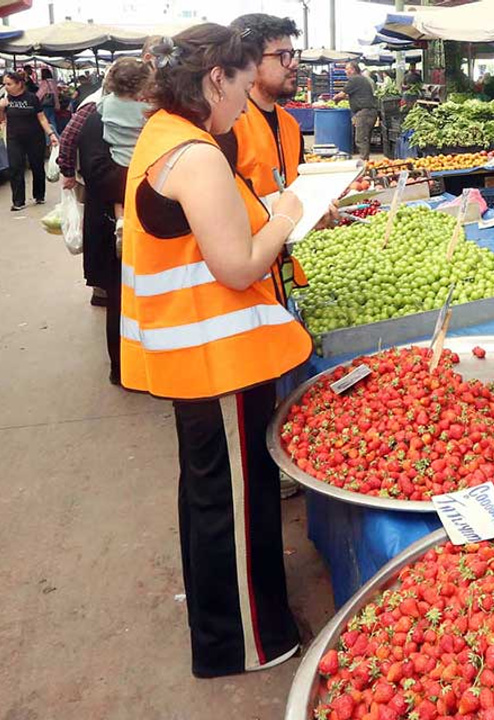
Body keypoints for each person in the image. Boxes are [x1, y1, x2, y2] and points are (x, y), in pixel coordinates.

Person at [120, 23, 310, 678]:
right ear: (216, 78)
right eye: (238, 81)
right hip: (217, 357)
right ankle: (249, 644)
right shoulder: (196, 154)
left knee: (211, 494)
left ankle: (223, 629)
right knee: (233, 502)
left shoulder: (162, 133)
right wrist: (286, 215)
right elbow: (237, 265)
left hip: (195, 356)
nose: (240, 104)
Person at [78, 58, 151, 386]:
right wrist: (147, 179)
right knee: (122, 301)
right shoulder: (97, 121)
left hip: (133, 222)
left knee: (136, 301)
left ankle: (142, 365)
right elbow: (97, 175)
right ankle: (122, 370)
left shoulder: (100, 117)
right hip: (115, 228)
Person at [216, 13, 307, 196]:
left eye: (293, 54)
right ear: (248, 61)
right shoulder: (224, 127)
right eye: (283, 55)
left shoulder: (290, 126)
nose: (293, 64)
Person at [1, 70, 59, 211]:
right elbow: (2, 120)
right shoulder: (5, 99)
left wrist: (51, 134)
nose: (6, 87)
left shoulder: (32, 98)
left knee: (37, 166)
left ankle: (39, 195)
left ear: (19, 84)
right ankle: (18, 201)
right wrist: (1, 108)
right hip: (14, 138)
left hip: (35, 137)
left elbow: (42, 118)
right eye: (4, 84)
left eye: (9, 84)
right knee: (15, 168)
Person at [333, 60, 377, 159]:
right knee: (365, 138)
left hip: (364, 112)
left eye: (347, 69)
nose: (345, 71)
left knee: (361, 139)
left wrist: (334, 100)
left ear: (353, 70)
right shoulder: (362, 79)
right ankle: (366, 160)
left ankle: (364, 162)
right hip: (370, 112)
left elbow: (342, 94)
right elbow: (358, 95)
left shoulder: (354, 79)